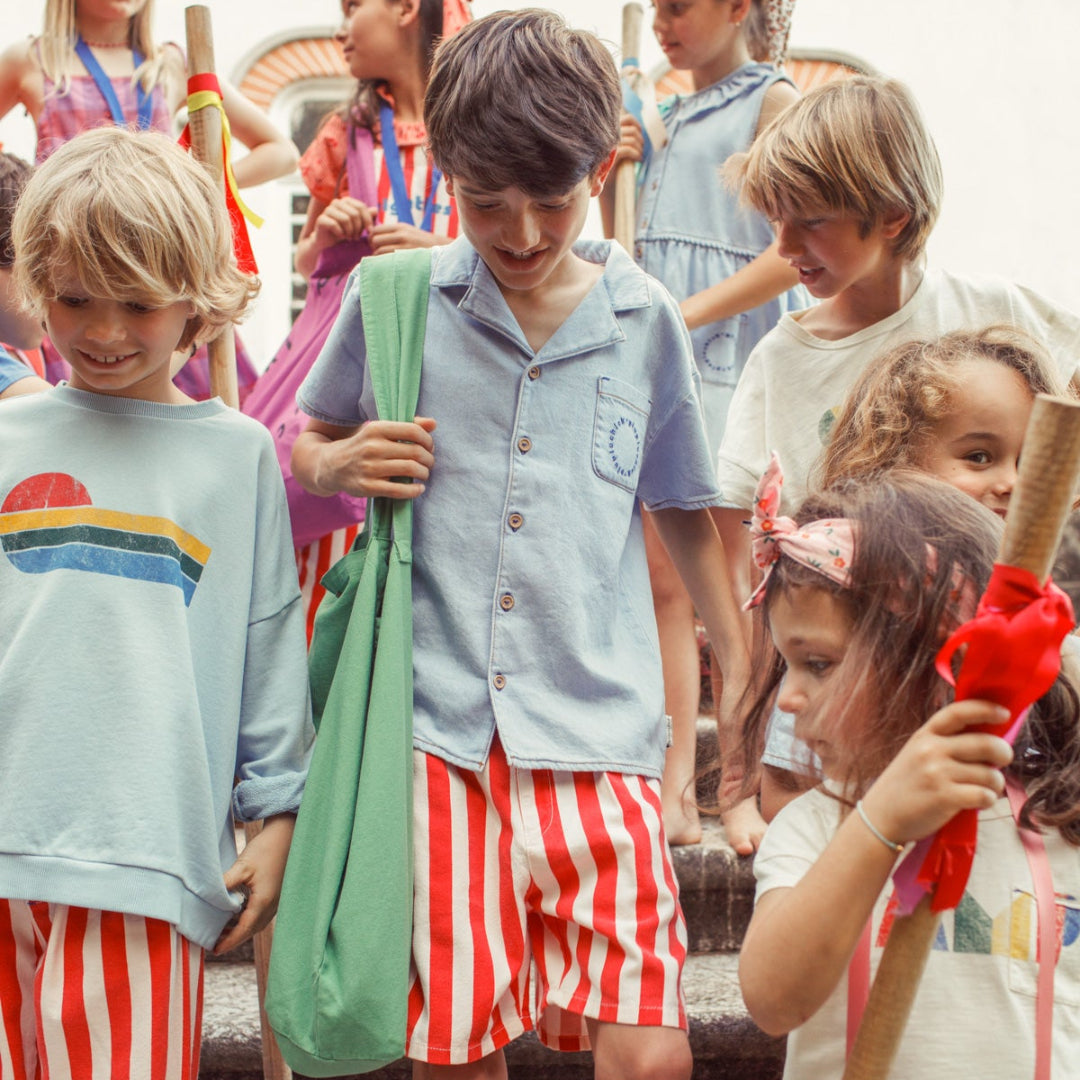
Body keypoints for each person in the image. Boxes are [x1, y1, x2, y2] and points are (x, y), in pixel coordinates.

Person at [291, 10, 751, 1077]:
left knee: (652, 1045)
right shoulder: (394, 295)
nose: (525, 232)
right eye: (486, 203)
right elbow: (306, 446)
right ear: (443, 169)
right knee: (458, 1044)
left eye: (554, 199)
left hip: (598, 732)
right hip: (440, 737)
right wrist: (344, 460)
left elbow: (681, 503)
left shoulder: (645, 321)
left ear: (600, 167)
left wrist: (743, 653)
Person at [0, 126, 312, 1076]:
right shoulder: (6, 436)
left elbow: (266, 652)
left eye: (137, 303)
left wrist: (280, 817)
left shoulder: (236, 457)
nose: (100, 331)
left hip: (144, 859)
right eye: (74, 297)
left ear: (197, 304)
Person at [735, 471, 1080, 1078]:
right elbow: (771, 999)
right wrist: (881, 821)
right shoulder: (817, 828)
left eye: (817, 663)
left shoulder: (1060, 825)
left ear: (933, 659)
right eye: (788, 665)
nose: (788, 698)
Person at [600, 0, 807, 850]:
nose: (660, 20)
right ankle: (673, 784)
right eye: (652, 7)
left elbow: (789, 247)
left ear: (737, 7)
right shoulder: (661, 113)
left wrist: (682, 314)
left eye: (678, 5)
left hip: (725, 348)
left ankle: (745, 782)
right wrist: (619, 161)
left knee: (733, 580)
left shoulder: (776, 104)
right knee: (662, 580)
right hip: (666, 347)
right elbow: (630, 243)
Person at [756, 325, 1076, 818]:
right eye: (978, 457)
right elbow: (785, 796)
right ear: (894, 463)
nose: (1013, 482)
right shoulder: (842, 624)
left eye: (1030, 461)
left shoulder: (1048, 633)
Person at [242, 0, 466, 637]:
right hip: (355, 377)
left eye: (351, 7)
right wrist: (327, 233)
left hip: (450, 376)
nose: (340, 28)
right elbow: (305, 259)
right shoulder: (349, 130)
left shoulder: (477, 121)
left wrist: (435, 250)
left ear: (403, 8)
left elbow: (520, 253)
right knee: (334, 548)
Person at [0, 0, 299, 397]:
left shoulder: (171, 62)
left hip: (156, 275)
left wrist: (189, 194)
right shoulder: (32, 59)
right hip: (78, 271)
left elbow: (280, 150)